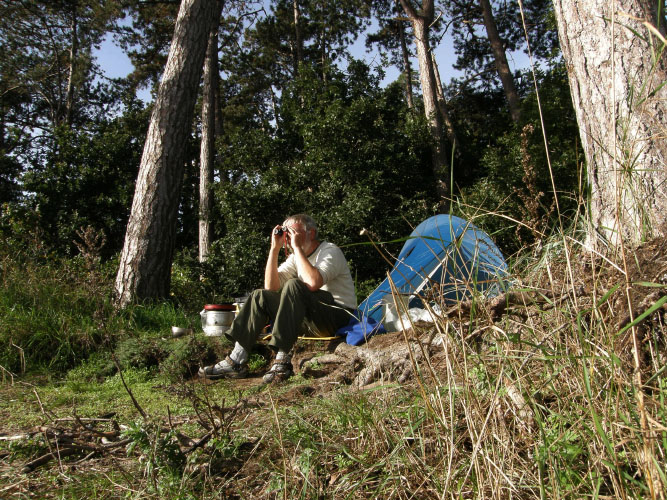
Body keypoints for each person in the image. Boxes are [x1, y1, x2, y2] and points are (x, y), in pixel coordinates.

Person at [198, 213, 357, 383]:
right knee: (260, 296)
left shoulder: (330, 251)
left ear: (310, 233)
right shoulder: (296, 257)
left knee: (294, 285)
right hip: (312, 319)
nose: (288, 236)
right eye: (285, 232)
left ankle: (282, 360)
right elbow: (271, 287)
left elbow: (312, 283)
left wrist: (296, 248)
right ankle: (236, 360)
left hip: (338, 316)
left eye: (292, 232)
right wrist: (274, 249)